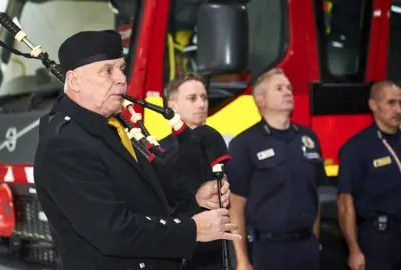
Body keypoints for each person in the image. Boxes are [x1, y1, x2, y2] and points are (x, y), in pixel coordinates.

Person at [32, 30, 241, 270]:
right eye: (107, 70)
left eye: (121, 68)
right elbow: (113, 231)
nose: (121, 79)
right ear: (74, 81)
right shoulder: (65, 145)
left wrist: (195, 201)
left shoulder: (112, 126)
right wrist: (193, 230)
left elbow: (144, 204)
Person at [226, 68, 327, 270]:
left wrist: (314, 239)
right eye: (279, 88)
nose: (288, 92)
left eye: (289, 88)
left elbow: (315, 195)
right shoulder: (245, 143)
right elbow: (235, 208)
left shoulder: (308, 138)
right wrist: (242, 260)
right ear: (260, 99)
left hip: (306, 246)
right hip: (268, 249)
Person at [158, 73, 223, 270]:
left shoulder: (218, 146)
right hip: (181, 255)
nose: (201, 104)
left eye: (204, 97)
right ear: (173, 105)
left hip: (219, 254)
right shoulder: (159, 152)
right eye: (192, 98)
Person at [337, 80, 401, 270]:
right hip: (378, 240)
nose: (398, 109)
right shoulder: (356, 148)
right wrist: (354, 250)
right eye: (391, 103)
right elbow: (345, 203)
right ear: (373, 105)